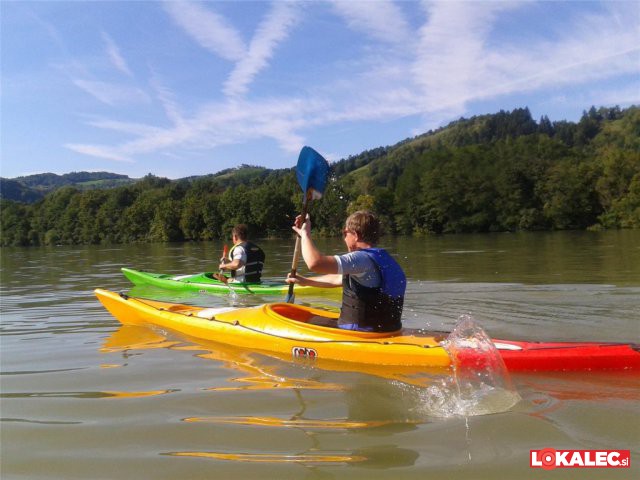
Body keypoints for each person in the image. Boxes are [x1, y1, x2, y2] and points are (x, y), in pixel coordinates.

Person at [286, 210, 406, 332]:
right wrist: (305, 281)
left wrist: (305, 234)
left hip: (358, 333)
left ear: (355, 235)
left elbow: (315, 263)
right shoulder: (385, 259)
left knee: (302, 321)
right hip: (390, 329)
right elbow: (338, 278)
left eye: (345, 233)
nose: (344, 239)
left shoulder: (360, 258)